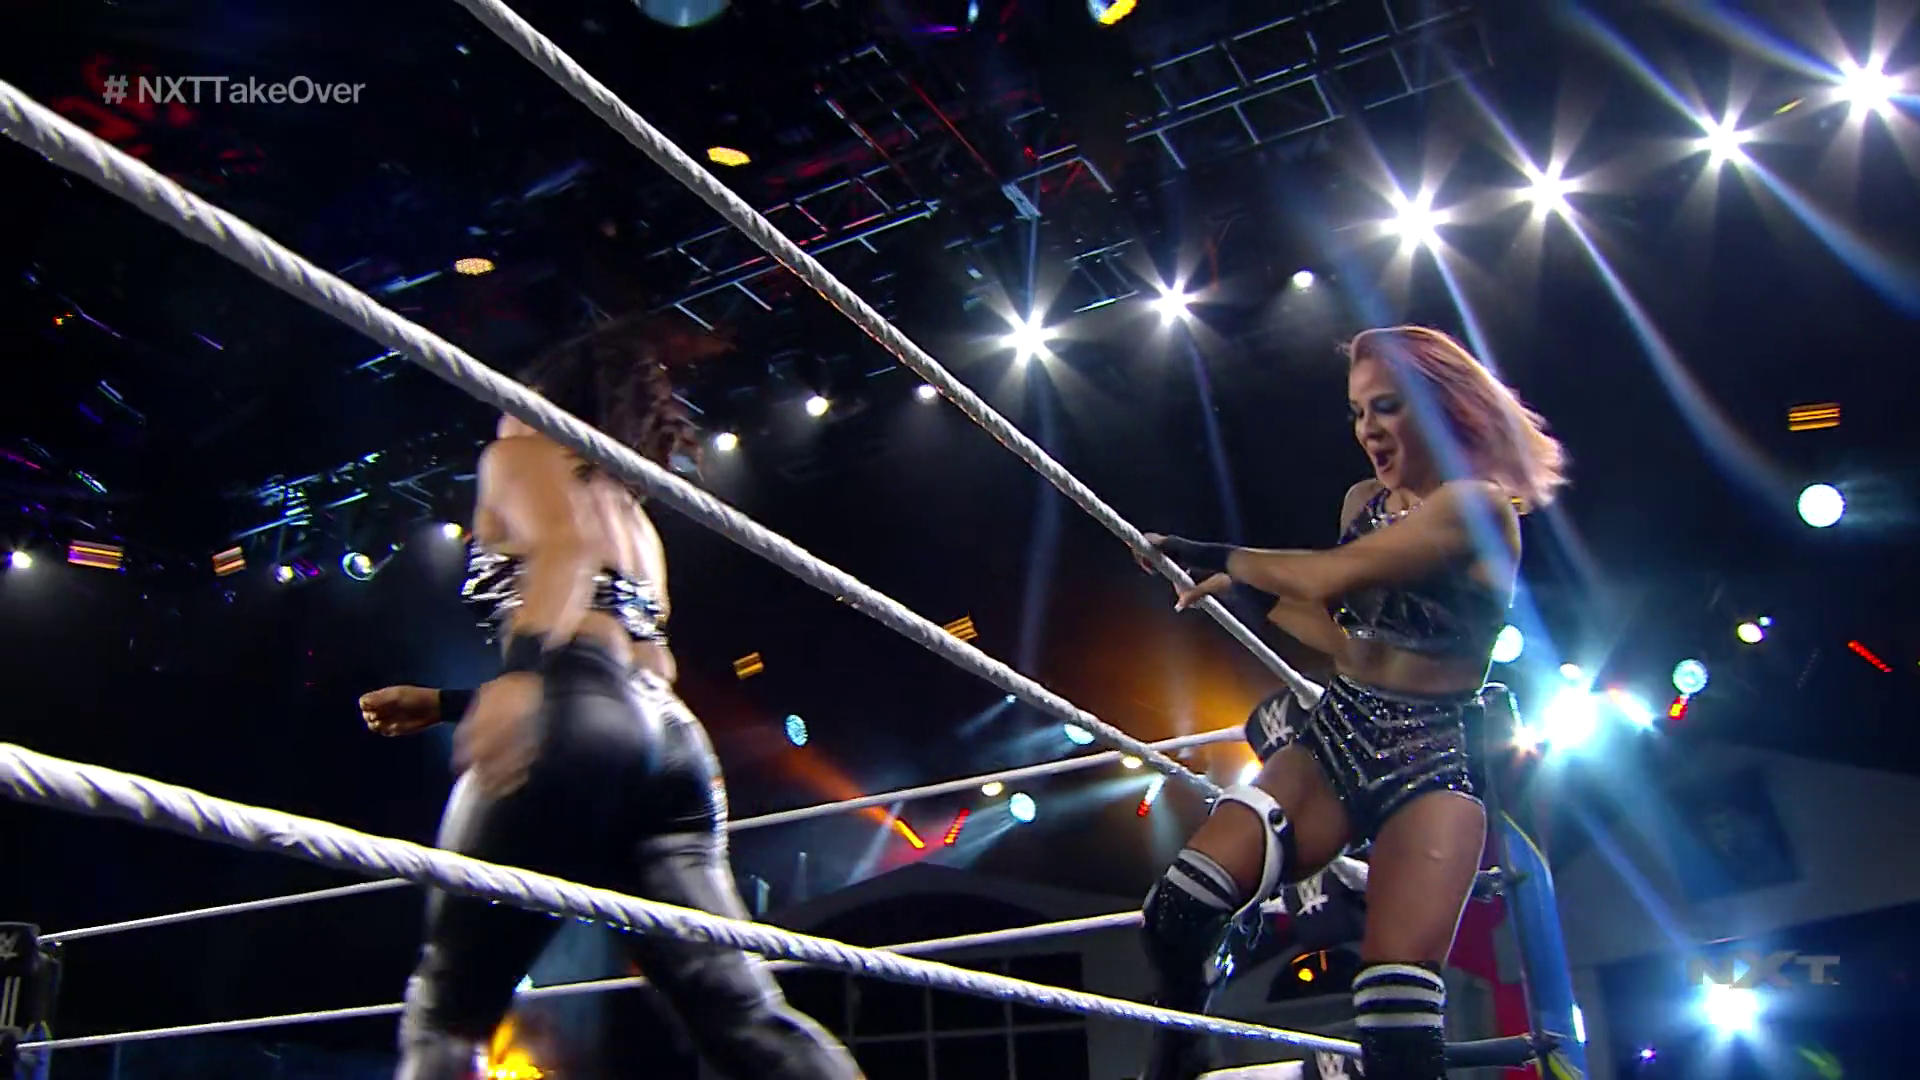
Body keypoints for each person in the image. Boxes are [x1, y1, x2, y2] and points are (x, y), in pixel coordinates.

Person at [375, 315, 862, 1080]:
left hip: (577, 710)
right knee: (743, 1017)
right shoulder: (632, 516)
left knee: (445, 1009)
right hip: (670, 743)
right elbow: (613, 670)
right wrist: (447, 703)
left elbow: (565, 569)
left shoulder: (521, 451)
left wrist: (520, 677)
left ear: (543, 398)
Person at [1136, 325, 1565, 1080]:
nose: (1368, 429)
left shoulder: (1478, 509)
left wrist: (1220, 556)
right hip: (1338, 733)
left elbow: (1333, 575)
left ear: (1440, 408)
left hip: (1431, 762)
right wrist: (1244, 593)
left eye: (1386, 406)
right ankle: (1186, 1034)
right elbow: (1344, 632)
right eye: (1358, 412)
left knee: (1398, 1021)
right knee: (1177, 910)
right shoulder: (1364, 502)